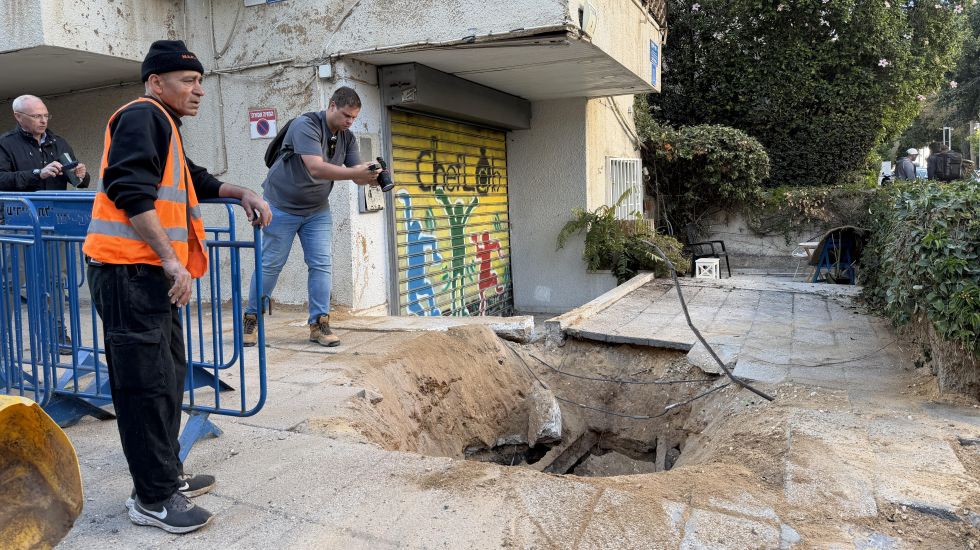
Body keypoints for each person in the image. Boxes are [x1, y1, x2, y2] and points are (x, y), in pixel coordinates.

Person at [82, 40, 271, 534]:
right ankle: (152, 498)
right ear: (155, 83)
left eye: (200, 80)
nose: (199, 90)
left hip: (148, 276)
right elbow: (128, 190)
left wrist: (241, 191)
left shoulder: (163, 125)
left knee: (167, 380)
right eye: (188, 80)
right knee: (144, 388)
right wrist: (171, 261)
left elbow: (192, 179)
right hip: (131, 274)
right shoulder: (142, 116)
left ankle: (167, 477)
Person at [242, 86, 380, 348]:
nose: (350, 121)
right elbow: (316, 168)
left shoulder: (346, 138)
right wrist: (355, 174)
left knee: (321, 264)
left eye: (354, 117)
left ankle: (319, 323)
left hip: (316, 210)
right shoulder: (306, 125)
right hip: (280, 205)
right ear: (331, 106)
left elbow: (354, 172)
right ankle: (251, 317)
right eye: (346, 115)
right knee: (271, 264)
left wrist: (373, 175)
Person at [0, 95, 91, 191]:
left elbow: (78, 182)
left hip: (56, 205)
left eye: (46, 116)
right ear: (18, 116)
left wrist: (82, 175)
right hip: (23, 205)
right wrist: (38, 174)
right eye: (36, 116)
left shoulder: (59, 143)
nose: (43, 121)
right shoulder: (5, 143)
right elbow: (1, 179)